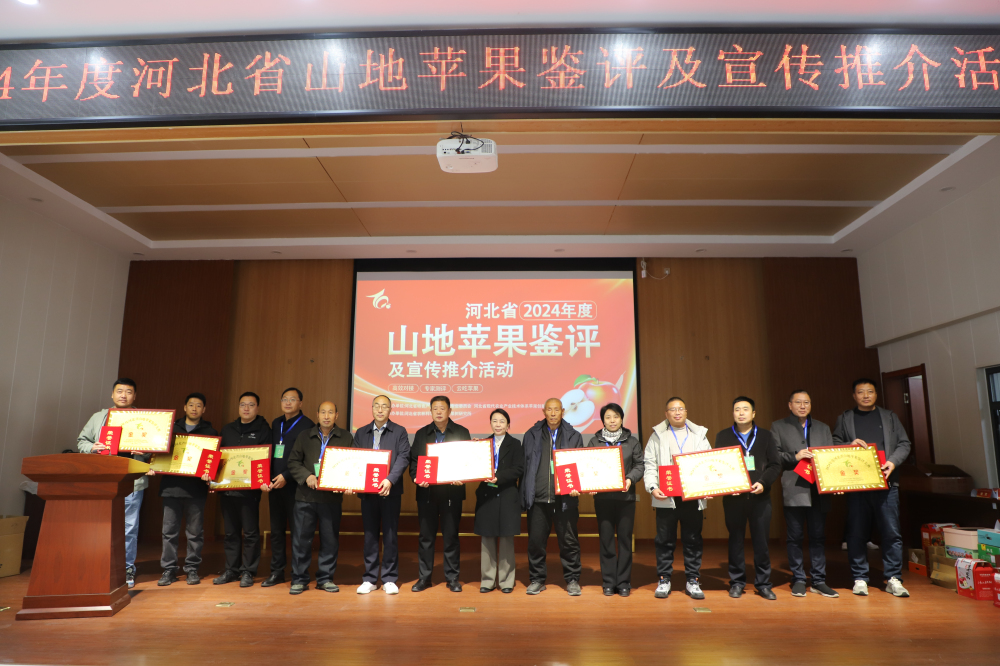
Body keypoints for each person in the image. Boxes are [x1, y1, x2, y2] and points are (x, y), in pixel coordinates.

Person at [833, 378, 912, 598]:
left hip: (887, 483)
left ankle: (894, 578)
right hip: (856, 484)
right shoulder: (845, 418)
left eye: (870, 391)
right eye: (861, 392)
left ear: (876, 394)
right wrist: (848, 446)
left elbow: (904, 443)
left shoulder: (890, 416)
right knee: (856, 532)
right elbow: (834, 443)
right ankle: (860, 578)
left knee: (891, 532)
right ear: (854, 396)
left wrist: (893, 462)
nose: (866, 395)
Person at [77, 377, 151, 589]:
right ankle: (99, 566)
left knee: (129, 528)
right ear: (112, 394)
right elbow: (82, 441)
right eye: (119, 391)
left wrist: (144, 452)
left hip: (132, 481)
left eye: (128, 392)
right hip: (103, 480)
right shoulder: (99, 417)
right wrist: (92, 447)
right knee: (99, 526)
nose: (123, 395)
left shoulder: (145, 419)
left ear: (134, 396)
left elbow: (155, 449)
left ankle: (126, 569)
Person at [771, 390, 839, 599]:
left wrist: (835, 482)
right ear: (790, 405)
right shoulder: (779, 426)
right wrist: (795, 456)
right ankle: (799, 579)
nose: (802, 406)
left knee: (818, 536)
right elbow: (774, 456)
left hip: (819, 488)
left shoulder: (822, 427)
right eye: (798, 402)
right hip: (795, 488)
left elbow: (832, 457)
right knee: (795, 536)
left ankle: (819, 580)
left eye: (806, 402)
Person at [642, 397, 711, 600]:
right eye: (673, 409)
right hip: (666, 497)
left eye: (681, 409)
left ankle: (693, 580)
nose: (677, 412)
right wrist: (652, 487)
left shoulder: (699, 435)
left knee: (693, 540)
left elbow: (708, 463)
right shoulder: (657, 435)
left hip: (693, 496)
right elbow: (649, 464)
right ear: (666, 414)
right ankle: (664, 579)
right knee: (664, 540)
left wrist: (708, 487)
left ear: (686, 412)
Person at [716, 396, 781, 600]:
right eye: (737, 409)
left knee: (761, 542)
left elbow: (775, 464)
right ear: (733, 413)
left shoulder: (766, 436)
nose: (741, 413)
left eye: (745, 409)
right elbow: (718, 466)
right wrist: (728, 486)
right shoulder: (723, 436)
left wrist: (763, 483)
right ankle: (737, 582)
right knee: (735, 540)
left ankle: (763, 584)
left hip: (760, 498)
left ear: (753, 413)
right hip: (733, 499)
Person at [522, 398, 585, 596]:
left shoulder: (574, 435)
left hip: (564, 499)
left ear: (563, 411)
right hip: (538, 498)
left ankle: (572, 579)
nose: (552, 413)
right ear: (543, 412)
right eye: (549, 409)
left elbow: (580, 466)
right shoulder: (531, 435)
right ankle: (537, 579)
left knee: (569, 542)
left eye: (556, 410)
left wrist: (577, 486)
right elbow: (525, 466)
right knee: (536, 543)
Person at [409, 395, 472, 592]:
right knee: (426, 538)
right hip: (427, 493)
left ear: (450, 411)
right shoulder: (422, 433)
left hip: (452, 493)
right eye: (434, 408)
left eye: (442, 408)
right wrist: (416, 478)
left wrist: (463, 476)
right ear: (430, 411)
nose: (438, 412)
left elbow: (467, 461)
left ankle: (452, 578)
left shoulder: (461, 432)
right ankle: (424, 578)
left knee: (451, 536)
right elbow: (414, 462)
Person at [286, 401, 349, 594]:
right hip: (305, 497)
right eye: (323, 412)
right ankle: (299, 579)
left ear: (337, 415)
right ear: (317, 414)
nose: (326, 416)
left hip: (331, 499)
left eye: (330, 412)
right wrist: (307, 476)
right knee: (301, 540)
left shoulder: (346, 437)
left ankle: (325, 578)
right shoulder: (304, 435)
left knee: (330, 540)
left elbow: (351, 464)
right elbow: (293, 461)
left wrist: (347, 483)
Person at [157, 392, 217, 586]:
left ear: (204, 409)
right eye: (191, 404)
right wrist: (153, 464)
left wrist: (210, 474)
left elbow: (214, 462)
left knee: (195, 533)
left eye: (198, 405)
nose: (194, 408)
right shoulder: (171, 429)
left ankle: (192, 569)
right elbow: (158, 452)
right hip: (171, 487)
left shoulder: (210, 432)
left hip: (196, 489)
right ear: (184, 407)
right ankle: (169, 569)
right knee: (169, 532)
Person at [353, 395, 410, 595]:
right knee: (370, 536)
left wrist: (390, 479)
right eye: (376, 406)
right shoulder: (361, 432)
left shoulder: (399, 431)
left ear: (390, 409)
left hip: (390, 491)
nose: (380, 410)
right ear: (371, 408)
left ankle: (389, 578)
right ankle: (369, 578)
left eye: (384, 406)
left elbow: (404, 457)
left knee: (390, 535)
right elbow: (355, 459)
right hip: (368, 493)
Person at [214, 391, 271, 587]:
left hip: (250, 491)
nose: (246, 408)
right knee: (230, 533)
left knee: (251, 533)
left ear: (258, 408)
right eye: (242, 405)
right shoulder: (228, 429)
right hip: (227, 489)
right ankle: (231, 570)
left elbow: (265, 460)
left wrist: (263, 480)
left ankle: (248, 571)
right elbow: (219, 458)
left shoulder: (264, 430)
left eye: (251, 405)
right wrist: (214, 480)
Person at [586, 403, 643, 597]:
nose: (612, 420)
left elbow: (639, 465)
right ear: (603, 420)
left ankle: (624, 582)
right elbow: (587, 466)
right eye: (608, 417)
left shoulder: (632, 441)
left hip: (626, 498)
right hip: (603, 499)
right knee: (606, 540)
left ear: (622, 419)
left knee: (625, 540)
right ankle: (609, 582)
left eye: (616, 416)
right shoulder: (594, 441)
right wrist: (590, 484)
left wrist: (630, 479)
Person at [262, 388, 314, 588]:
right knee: (276, 531)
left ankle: (298, 574)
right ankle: (277, 572)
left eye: (293, 399)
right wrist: (266, 478)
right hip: (275, 485)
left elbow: (307, 459)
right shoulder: (276, 423)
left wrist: (287, 476)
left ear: (301, 403)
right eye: (285, 399)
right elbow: (269, 452)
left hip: (296, 487)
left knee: (298, 533)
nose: (288, 403)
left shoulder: (308, 425)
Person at [474, 409, 524, 594]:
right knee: (487, 539)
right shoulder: (482, 444)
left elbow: (519, 468)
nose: (498, 424)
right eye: (494, 421)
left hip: (507, 495)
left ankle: (506, 581)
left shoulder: (515, 444)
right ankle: (487, 580)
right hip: (487, 496)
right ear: (490, 424)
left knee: (506, 539)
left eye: (502, 421)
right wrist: (472, 451)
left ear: (508, 425)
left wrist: (499, 477)